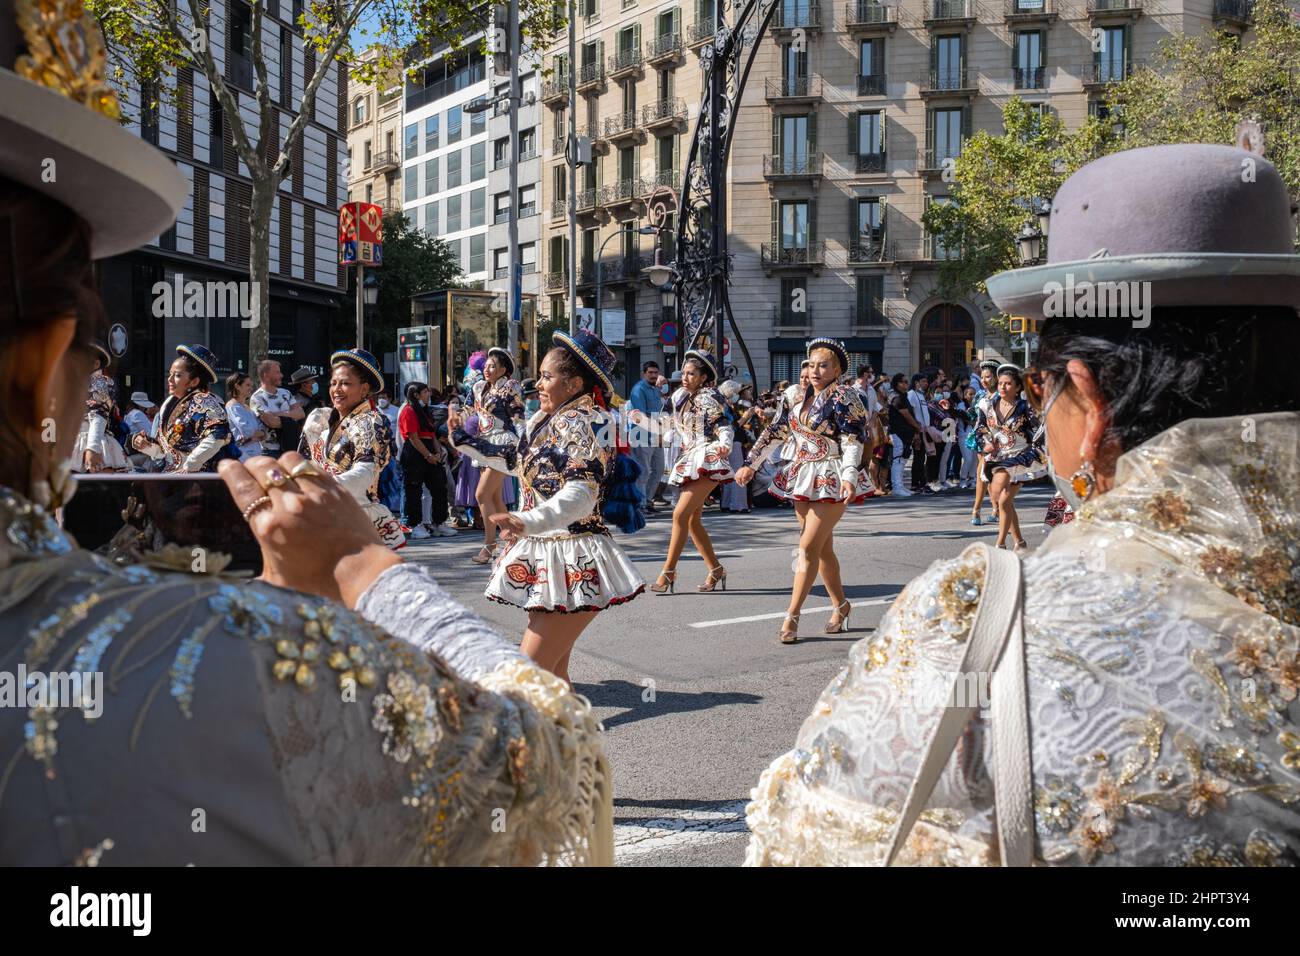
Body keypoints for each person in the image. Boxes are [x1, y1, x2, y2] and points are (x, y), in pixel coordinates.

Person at [0, 8, 611, 866]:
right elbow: (548, 774)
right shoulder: (212, 647)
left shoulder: (391, 420)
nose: (333, 386)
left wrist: (500, 495)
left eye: (344, 378)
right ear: (45, 362)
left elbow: (402, 465)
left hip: (538, 535)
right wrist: (358, 571)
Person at [746, 142, 1300, 867]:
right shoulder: (806, 397)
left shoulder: (975, 620)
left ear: (1089, 402)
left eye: (1044, 393)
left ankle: (819, 599)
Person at [455, 331, 645, 685]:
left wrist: (526, 520)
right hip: (549, 552)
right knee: (553, 678)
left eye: (547, 376)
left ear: (573, 384)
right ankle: (569, 737)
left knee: (526, 679)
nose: (538, 383)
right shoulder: (545, 420)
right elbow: (515, 460)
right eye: (540, 375)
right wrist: (464, 441)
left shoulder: (583, 422)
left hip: (574, 553)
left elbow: (582, 494)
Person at [736, 339, 868, 643]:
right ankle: (842, 606)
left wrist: (849, 475)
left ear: (836, 370)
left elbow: (852, 440)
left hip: (832, 475)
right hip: (802, 475)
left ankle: (792, 615)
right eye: (810, 364)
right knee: (823, 551)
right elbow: (776, 431)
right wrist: (750, 464)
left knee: (807, 548)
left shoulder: (846, 397)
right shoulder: (797, 397)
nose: (815, 370)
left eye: (823, 365)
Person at [644, 350, 734, 594]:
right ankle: (716, 569)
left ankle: (668, 572)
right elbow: (666, 425)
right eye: (683, 373)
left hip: (708, 455)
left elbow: (724, 423)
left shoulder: (711, 396)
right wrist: (640, 421)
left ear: (704, 376)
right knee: (692, 521)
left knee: (679, 515)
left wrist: (725, 442)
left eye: (691, 373)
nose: (685, 377)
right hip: (689, 457)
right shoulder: (679, 396)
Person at [299, 349, 407, 551]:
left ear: (364, 389)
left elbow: (365, 472)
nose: (337, 389)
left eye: (345, 383)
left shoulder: (370, 422)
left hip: (357, 518)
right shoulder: (323, 419)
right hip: (324, 513)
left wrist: (322, 486)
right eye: (334, 383)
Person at [454, 346, 525, 565]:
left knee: (482, 494)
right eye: (485, 366)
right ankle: (513, 540)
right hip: (484, 444)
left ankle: (490, 545)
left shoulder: (510, 387)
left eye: (492, 366)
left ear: (504, 369)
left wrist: (525, 443)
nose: (487, 369)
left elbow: (518, 416)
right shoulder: (480, 388)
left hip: (502, 444)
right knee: (493, 497)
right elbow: (468, 411)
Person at [131, 344, 235, 472]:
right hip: (174, 477)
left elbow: (218, 435)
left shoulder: (205, 401)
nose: (169, 379)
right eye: (170, 374)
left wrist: (190, 465)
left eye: (177, 375)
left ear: (194, 382)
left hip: (201, 480)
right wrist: (145, 445)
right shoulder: (169, 404)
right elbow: (164, 452)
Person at [976, 364, 1046, 552]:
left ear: (1017, 387)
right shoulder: (988, 405)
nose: (1002, 387)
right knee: (1004, 501)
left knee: (1004, 500)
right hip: (996, 458)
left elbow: (1040, 431)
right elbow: (980, 428)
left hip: (1019, 459)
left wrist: (1035, 451)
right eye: (1000, 383)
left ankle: (1000, 544)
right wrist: (986, 443)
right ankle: (1020, 542)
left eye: (1008, 384)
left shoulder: (1025, 408)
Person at [398, 381, 454, 540]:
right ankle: (416, 525)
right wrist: (428, 455)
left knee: (439, 487)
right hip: (415, 452)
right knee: (414, 490)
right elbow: (413, 438)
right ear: (416, 395)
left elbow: (432, 434)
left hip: (430, 449)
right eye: (425, 392)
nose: (428, 395)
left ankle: (439, 522)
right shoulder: (408, 410)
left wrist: (437, 452)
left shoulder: (425, 411)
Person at [71, 343, 129, 473]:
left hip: (91, 439)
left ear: (96, 364)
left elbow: (99, 415)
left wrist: (93, 448)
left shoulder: (99, 381)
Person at [627, 360, 666, 516]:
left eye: (655, 372)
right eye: (650, 372)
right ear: (644, 374)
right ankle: (639, 505)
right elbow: (641, 416)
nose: (653, 375)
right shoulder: (638, 389)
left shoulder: (655, 390)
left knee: (659, 469)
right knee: (643, 472)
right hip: (642, 434)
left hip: (656, 434)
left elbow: (659, 412)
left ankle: (647, 500)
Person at [250, 358, 304, 458]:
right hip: (269, 453)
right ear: (266, 376)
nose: (281, 375)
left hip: (290, 449)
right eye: (277, 372)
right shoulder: (257, 398)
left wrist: (278, 414)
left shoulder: (286, 393)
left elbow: (301, 413)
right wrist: (291, 418)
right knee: (274, 475)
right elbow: (272, 422)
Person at [970, 358, 1001, 524]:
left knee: (993, 475)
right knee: (982, 473)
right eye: (982, 377)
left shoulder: (1002, 396)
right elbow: (973, 417)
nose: (984, 380)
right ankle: (976, 509)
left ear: (996, 377)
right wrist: (951, 409)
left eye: (988, 377)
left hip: (1001, 440)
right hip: (983, 440)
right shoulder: (980, 396)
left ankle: (996, 508)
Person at [886, 373, 921, 497]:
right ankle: (897, 487)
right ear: (897, 383)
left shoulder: (903, 396)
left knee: (903, 459)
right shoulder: (896, 397)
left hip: (905, 433)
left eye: (907, 382)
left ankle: (900, 486)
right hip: (898, 432)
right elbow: (906, 414)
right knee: (898, 459)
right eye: (903, 382)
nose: (906, 384)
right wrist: (917, 426)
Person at [718, 380, 750, 513]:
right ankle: (738, 504)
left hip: (731, 441)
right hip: (733, 440)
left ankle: (727, 503)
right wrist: (746, 417)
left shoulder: (726, 406)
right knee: (737, 471)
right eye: (736, 393)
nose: (738, 396)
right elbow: (732, 426)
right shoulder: (725, 407)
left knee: (730, 473)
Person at [224, 370, 267, 460]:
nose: (251, 388)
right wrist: (258, 434)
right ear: (237, 386)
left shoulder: (247, 407)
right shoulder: (232, 406)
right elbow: (247, 430)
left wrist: (259, 434)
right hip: (242, 455)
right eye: (247, 385)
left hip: (255, 453)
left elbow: (262, 428)